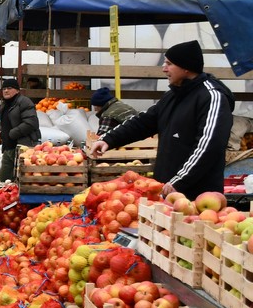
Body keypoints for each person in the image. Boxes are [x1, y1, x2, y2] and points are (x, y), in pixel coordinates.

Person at [87, 40, 234, 198]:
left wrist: (179, 181)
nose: (164, 69)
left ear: (186, 67)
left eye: (169, 64)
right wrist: (109, 139)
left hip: (197, 197)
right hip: (166, 192)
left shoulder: (212, 97)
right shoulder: (172, 96)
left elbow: (208, 146)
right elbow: (143, 122)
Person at [0, 78, 40, 182]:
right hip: (8, 147)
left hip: (23, 146)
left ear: (17, 90)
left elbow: (31, 123)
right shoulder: (5, 104)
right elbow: (4, 122)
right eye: (4, 88)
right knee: (3, 180)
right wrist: (0, 132)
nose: (6, 91)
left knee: (21, 180)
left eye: (9, 88)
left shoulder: (24, 102)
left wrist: (11, 133)